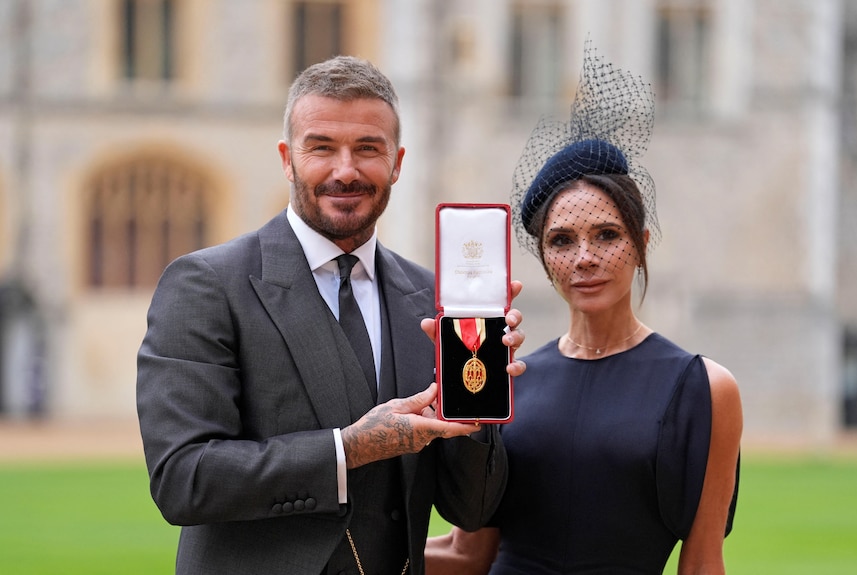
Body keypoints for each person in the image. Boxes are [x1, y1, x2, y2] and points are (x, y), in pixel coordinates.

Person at [136, 55, 525, 575]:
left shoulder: (434, 299)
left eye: (368, 148)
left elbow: (472, 509)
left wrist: (476, 406)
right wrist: (349, 450)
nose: (346, 170)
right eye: (321, 147)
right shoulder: (207, 285)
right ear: (287, 158)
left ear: (397, 162)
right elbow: (184, 479)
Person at [425, 44, 742, 575]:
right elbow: (468, 553)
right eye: (562, 241)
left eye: (607, 235)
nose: (585, 258)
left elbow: (704, 561)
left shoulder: (707, 389)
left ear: (641, 243)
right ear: (544, 258)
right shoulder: (509, 375)